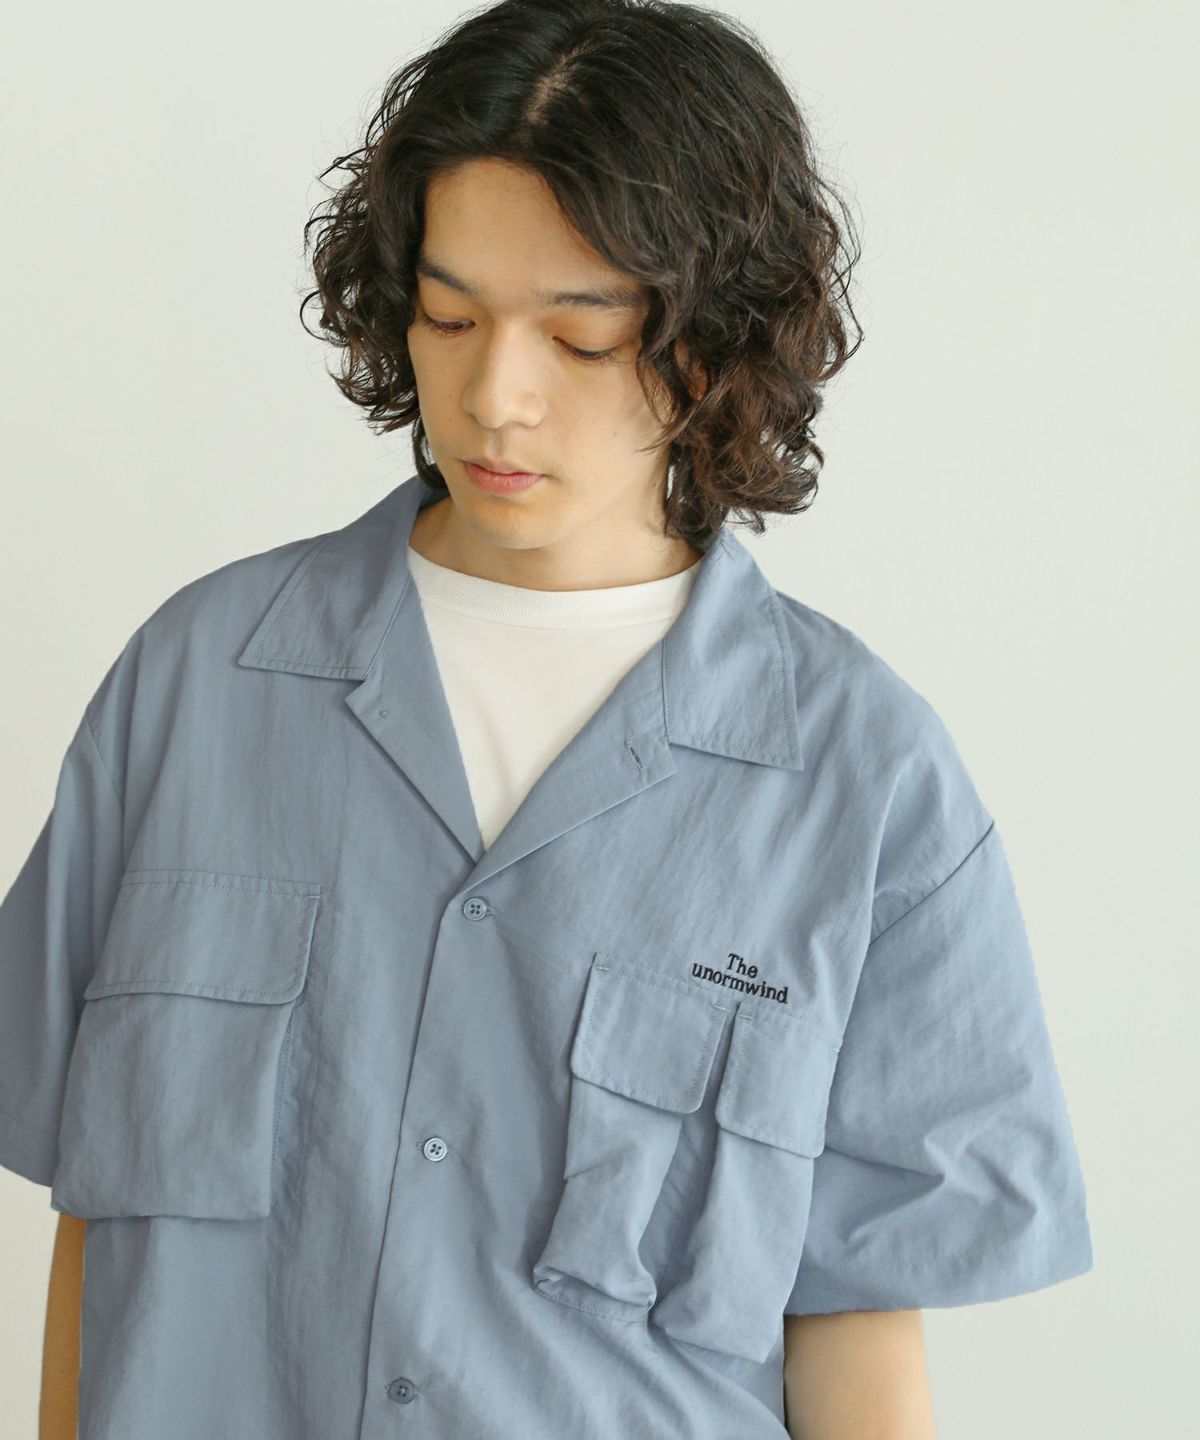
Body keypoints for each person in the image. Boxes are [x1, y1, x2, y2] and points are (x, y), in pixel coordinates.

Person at [4, 1, 1094, 1436]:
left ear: (713, 345)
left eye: (581, 338)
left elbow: (858, 1334)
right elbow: (98, 1237)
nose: (494, 397)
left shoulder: (866, 781)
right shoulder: (198, 684)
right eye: (450, 317)